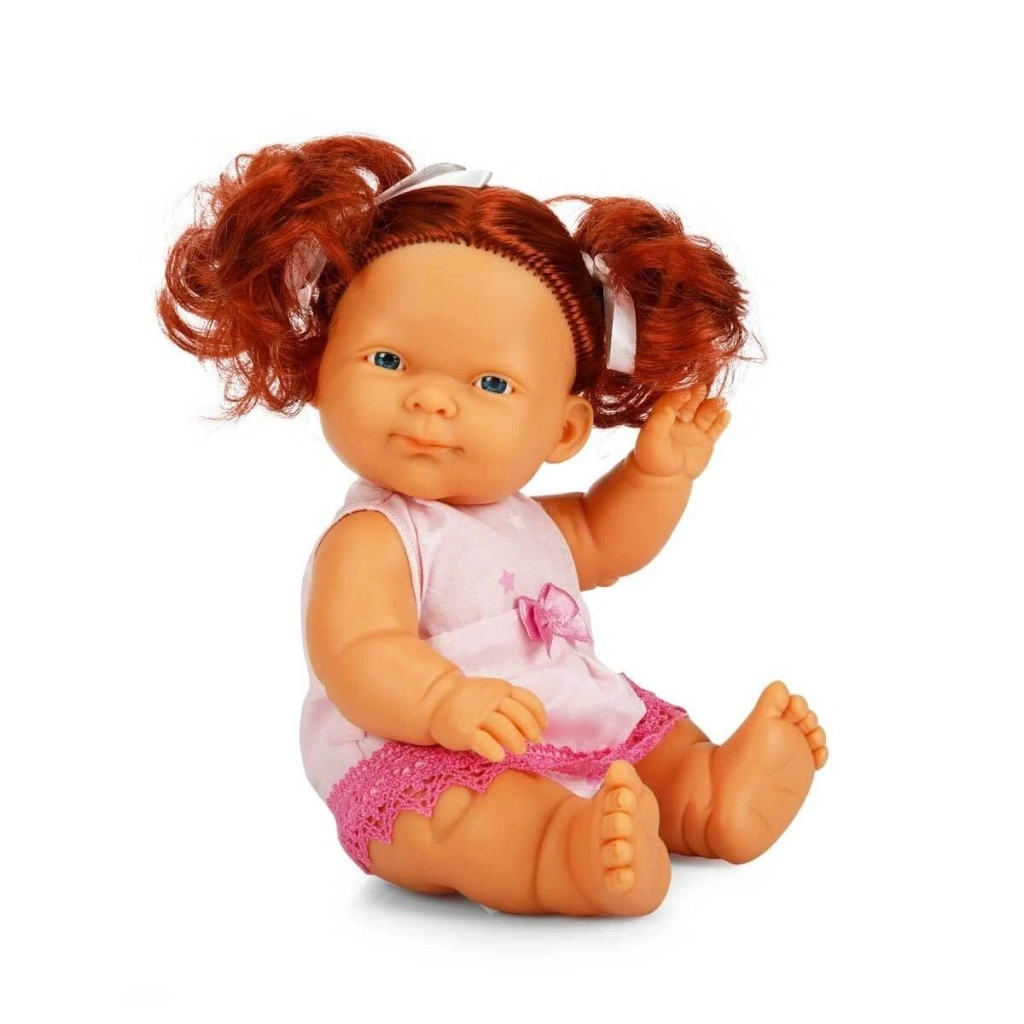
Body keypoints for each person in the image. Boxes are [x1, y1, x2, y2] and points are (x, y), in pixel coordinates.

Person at [158, 135, 828, 917]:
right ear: (320, 370)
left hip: (560, 715)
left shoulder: (527, 521)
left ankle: (708, 795)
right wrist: (443, 701)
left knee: (653, 740)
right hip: (416, 751)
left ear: (564, 431)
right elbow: (357, 651)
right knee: (470, 819)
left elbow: (607, 539)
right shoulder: (376, 535)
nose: (433, 400)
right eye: (388, 361)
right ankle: (564, 855)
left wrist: (658, 476)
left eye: (491, 382)